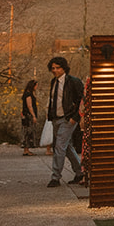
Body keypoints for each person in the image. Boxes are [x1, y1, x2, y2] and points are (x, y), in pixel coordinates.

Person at [44, 56, 85, 188]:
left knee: (59, 146)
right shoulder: (54, 82)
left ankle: (55, 177)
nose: (55, 70)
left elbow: (82, 100)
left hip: (68, 119)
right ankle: (80, 172)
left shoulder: (73, 81)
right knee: (66, 147)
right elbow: (53, 100)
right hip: (56, 118)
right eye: (53, 68)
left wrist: (75, 117)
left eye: (57, 68)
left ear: (64, 68)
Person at [19, 79, 39, 156]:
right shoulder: (28, 95)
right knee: (28, 131)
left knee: (27, 131)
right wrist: (33, 115)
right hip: (28, 116)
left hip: (26, 115)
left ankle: (27, 149)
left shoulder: (28, 94)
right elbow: (29, 106)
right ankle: (26, 149)